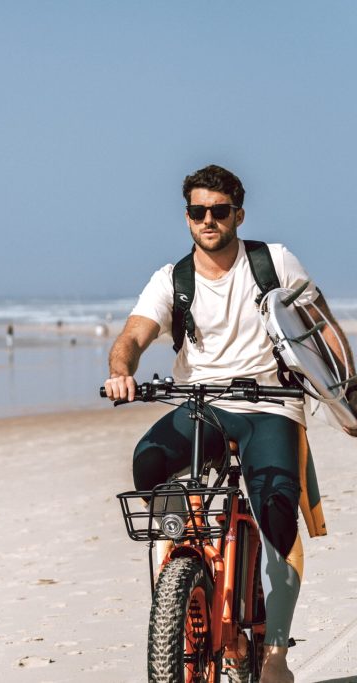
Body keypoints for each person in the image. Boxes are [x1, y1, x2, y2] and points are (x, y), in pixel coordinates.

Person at [102, 164, 356, 683]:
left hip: (271, 406)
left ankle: (275, 656)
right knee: (148, 461)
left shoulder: (273, 262)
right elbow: (134, 334)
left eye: (219, 211)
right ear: (188, 217)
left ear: (238, 213)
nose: (208, 220)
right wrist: (120, 371)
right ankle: (181, 578)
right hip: (203, 405)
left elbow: (324, 329)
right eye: (198, 212)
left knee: (279, 514)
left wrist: (348, 390)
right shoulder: (172, 280)